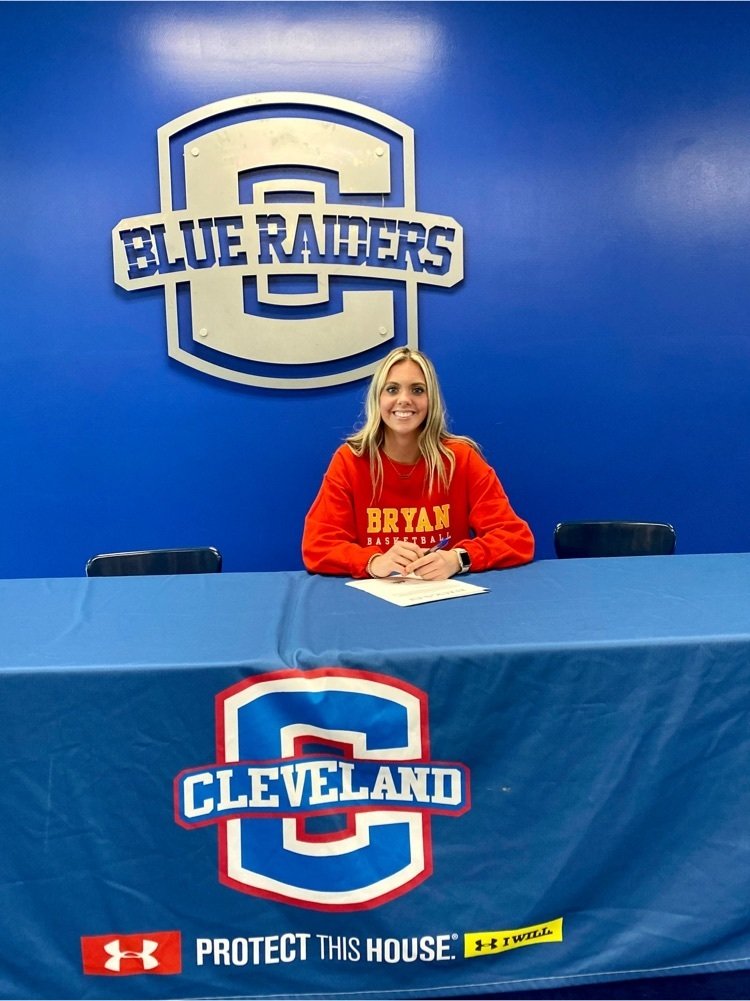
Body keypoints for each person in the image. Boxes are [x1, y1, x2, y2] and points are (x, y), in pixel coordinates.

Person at [302, 347, 534, 579]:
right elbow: (317, 545)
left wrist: (459, 558)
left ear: (430, 399)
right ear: (378, 398)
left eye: (417, 390)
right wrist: (373, 562)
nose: (404, 400)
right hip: (375, 601)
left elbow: (516, 537)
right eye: (392, 389)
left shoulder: (460, 459)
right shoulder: (350, 460)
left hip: (445, 597)